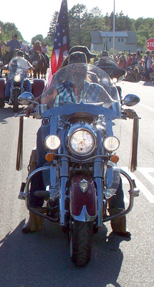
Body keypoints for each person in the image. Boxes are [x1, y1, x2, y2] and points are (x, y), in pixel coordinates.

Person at [22, 49, 130, 237]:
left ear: (86, 69)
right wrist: (34, 104)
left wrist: (122, 109)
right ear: (70, 69)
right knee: (43, 160)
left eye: (81, 70)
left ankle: (118, 221)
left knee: (111, 164)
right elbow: (45, 99)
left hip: (89, 134)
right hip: (63, 130)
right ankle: (35, 216)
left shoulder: (96, 88)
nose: (78, 74)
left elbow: (112, 102)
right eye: (75, 70)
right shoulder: (59, 87)